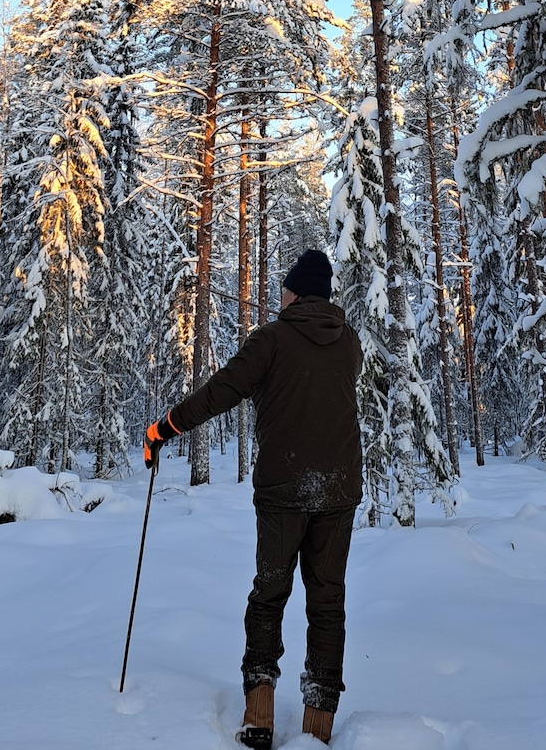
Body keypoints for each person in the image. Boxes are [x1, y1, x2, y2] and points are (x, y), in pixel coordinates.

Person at [145, 248, 362, 749]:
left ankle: (260, 712)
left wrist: (166, 428)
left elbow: (221, 391)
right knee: (327, 605)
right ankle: (318, 727)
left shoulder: (271, 339)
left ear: (296, 292)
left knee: (269, 595)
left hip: (285, 490)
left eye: (284, 288)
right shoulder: (347, 340)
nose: (279, 295)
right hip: (339, 490)